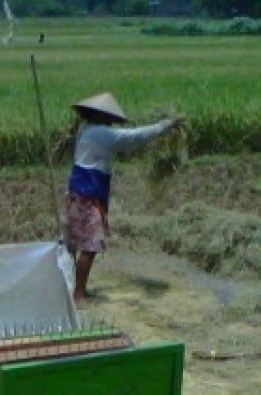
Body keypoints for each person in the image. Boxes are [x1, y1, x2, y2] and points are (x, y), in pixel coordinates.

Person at [65, 92, 181, 303]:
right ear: (100, 116)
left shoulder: (86, 130)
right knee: (90, 245)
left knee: (77, 242)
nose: (110, 122)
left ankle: (73, 288)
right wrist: (165, 125)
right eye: (108, 118)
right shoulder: (101, 134)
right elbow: (134, 137)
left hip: (79, 191)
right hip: (88, 194)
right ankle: (79, 294)